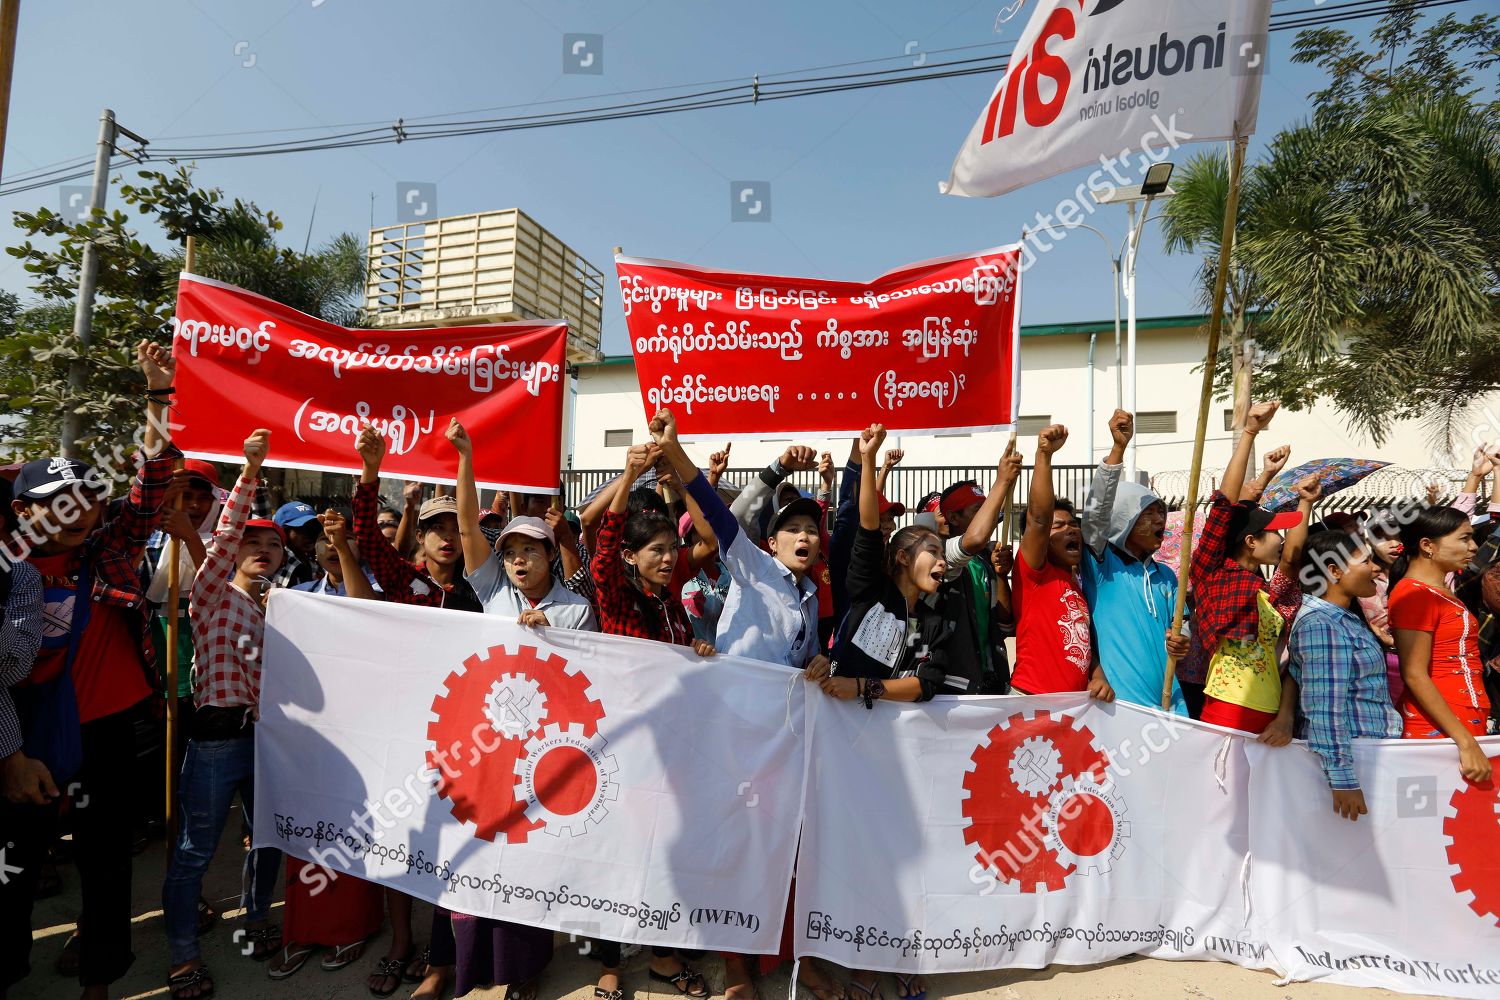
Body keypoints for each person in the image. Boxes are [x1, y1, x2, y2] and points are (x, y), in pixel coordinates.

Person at [2, 342, 178, 1000]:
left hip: (108, 734)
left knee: (106, 865)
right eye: (60, 501)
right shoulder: (6, 576)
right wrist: (9, 753)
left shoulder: (111, 551)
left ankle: (100, 981)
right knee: (12, 870)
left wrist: (157, 397)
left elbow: (152, 482)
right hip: (20, 743)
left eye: (89, 500)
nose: (79, 512)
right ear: (24, 511)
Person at [805, 422, 946, 1000]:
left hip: (902, 753)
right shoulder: (868, 589)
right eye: (931, 551)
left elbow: (931, 683)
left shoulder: (938, 614)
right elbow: (864, 530)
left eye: (942, 553)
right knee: (858, 856)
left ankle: (904, 956)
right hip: (845, 746)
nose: (942, 560)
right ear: (902, 559)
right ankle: (862, 965)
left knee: (904, 854)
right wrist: (864, 463)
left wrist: (867, 688)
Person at [351, 427, 479, 1000]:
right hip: (406, 730)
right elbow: (365, 542)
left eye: (455, 527)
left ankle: (441, 956)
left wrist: (465, 458)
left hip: (467, 739)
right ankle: (400, 943)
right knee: (402, 840)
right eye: (435, 529)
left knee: (456, 846)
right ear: (420, 539)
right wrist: (370, 472)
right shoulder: (407, 581)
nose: (447, 537)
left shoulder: (483, 590)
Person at [162, 429, 287, 999]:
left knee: (266, 839)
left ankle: (257, 917)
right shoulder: (211, 595)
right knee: (193, 851)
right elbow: (224, 532)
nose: (261, 550)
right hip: (214, 743)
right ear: (231, 550)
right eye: (250, 543)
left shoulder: (288, 612)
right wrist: (250, 470)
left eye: (275, 546)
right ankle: (184, 954)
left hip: (268, 743)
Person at [589, 441, 713, 1000]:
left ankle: (663, 957)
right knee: (618, 855)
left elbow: (709, 541)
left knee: (664, 851)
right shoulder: (616, 599)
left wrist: (699, 654)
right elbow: (599, 552)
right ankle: (609, 963)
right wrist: (628, 474)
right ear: (633, 558)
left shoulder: (673, 602)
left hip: (673, 752)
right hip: (624, 750)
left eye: (671, 549)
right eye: (656, 550)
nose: (668, 558)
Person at [1190, 402, 1316, 740]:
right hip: (1228, 706)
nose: (1280, 539)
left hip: (1271, 710)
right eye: (1274, 531)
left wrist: (1307, 502)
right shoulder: (1212, 573)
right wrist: (1249, 431)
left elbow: (1291, 558)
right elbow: (1224, 505)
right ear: (1249, 541)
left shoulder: (1266, 589)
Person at [1288, 531, 1403, 822]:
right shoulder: (1322, 625)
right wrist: (1343, 780)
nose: (1376, 568)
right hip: (1354, 760)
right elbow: (1324, 707)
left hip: (1365, 755)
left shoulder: (1341, 618)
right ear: (1334, 571)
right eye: (1365, 561)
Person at [1081, 411, 1190, 713]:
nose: (1161, 519)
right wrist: (1118, 450)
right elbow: (1095, 516)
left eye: (1162, 511)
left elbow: (1182, 625)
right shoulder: (1102, 567)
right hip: (1120, 708)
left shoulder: (1166, 576)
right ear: (1122, 519)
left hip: (1171, 703)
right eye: (1149, 513)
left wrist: (1182, 641)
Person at [1389, 504, 1493, 784]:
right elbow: (1413, 673)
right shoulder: (1413, 595)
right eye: (1464, 538)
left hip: (1462, 718)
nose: (1473, 547)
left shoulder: (1439, 589)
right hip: (1438, 726)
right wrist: (1465, 742)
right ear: (1427, 546)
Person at [1010, 424, 1111, 699]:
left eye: (1073, 524)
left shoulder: (1076, 584)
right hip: (1032, 700)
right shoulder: (1034, 574)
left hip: (1073, 709)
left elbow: (1084, 645)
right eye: (1058, 527)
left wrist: (1097, 676)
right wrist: (1044, 455)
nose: (1071, 530)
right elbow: (1039, 519)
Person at [928, 443, 1022, 695]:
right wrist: (1001, 482)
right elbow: (975, 538)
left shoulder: (985, 560)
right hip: (955, 686)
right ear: (954, 518)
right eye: (977, 510)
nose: (988, 516)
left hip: (992, 678)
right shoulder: (939, 556)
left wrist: (1001, 575)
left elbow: (1005, 623)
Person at [270, 499, 321, 588]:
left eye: (313, 527)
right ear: (283, 532)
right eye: (301, 529)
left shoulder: (317, 564)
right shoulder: (275, 560)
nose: (309, 534)